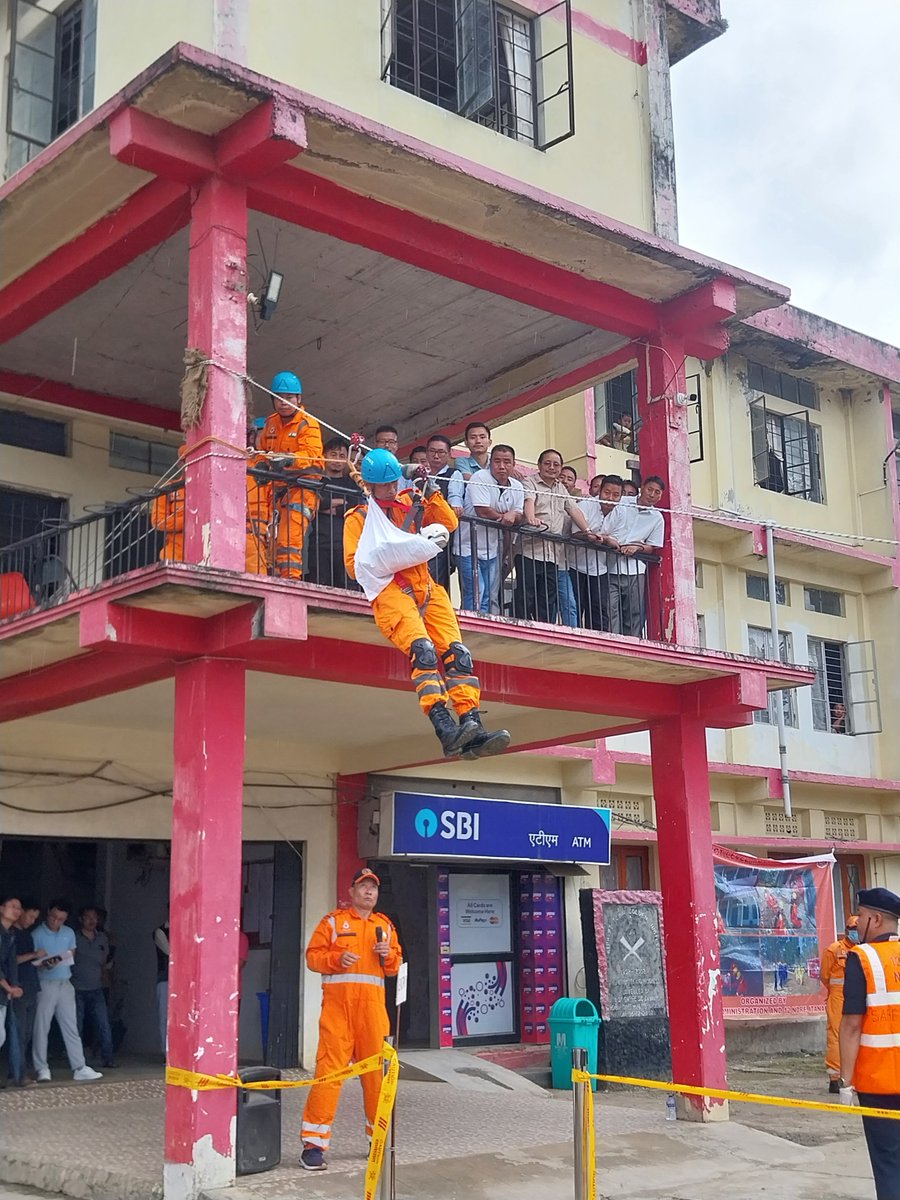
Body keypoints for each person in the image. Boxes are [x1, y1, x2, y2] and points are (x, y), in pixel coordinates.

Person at [344, 448, 510, 759]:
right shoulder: (360, 519)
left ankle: (472, 723)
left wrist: (431, 490)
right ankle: (444, 727)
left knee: (458, 654)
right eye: (384, 485)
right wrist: (395, 554)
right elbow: (355, 567)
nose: (391, 489)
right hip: (392, 591)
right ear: (370, 486)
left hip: (428, 588)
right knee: (423, 651)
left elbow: (448, 522)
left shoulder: (411, 501)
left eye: (393, 482)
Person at [299, 867, 402, 1171]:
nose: (369, 892)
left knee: (377, 1079)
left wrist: (387, 955)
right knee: (328, 1076)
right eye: (363, 886)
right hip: (338, 1014)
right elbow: (312, 957)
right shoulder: (332, 922)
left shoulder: (385, 926)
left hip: (373, 1014)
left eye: (373, 888)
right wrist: (336, 959)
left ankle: (377, 1140)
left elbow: (395, 967)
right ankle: (313, 1146)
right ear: (351, 892)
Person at [839, 887, 900, 1200]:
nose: (856, 922)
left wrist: (845, 1082)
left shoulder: (862, 958)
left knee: (888, 1163)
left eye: (861, 916)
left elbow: (851, 1026)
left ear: (875, 919)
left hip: (879, 1084)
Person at [151, 420, 273, 574]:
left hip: (246, 538)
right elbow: (158, 521)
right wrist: (193, 518)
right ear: (181, 463)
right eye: (186, 460)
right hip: (178, 550)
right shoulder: (169, 488)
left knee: (251, 578)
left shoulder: (253, 472)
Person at [257, 371, 324, 579]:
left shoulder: (308, 424)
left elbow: (312, 455)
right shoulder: (271, 424)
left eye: (289, 398)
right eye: (279, 398)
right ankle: (277, 580)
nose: (284, 402)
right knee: (272, 541)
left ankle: (291, 581)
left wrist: (289, 459)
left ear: (298, 399)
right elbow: (262, 450)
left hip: (302, 489)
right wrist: (261, 463)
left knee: (289, 539)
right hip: (276, 492)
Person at [514, 449, 589, 623]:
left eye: (556, 464)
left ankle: (544, 628)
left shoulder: (560, 488)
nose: (551, 467)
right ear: (539, 465)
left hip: (552, 554)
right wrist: (531, 518)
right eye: (547, 463)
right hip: (530, 550)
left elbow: (573, 509)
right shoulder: (530, 482)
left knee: (548, 598)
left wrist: (588, 530)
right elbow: (529, 500)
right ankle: (522, 627)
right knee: (527, 593)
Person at [32, 899, 102, 1083]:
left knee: (71, 1026)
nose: (56, 922)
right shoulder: (37, 934)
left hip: (65, 982)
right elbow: (32, 962)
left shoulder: (68, 933)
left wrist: (59, 960)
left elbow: (72, 953)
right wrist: (44, 964)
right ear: (48, 912)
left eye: (61, 919)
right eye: (53, 917)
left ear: (66, 919)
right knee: (42, 1027)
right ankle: (41, 1068)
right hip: (45, 983)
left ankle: (79, 1067)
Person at [461, 444, 525, 614]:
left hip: (494, 548)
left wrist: (513, 514)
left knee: (490, 595)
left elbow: (520, 515)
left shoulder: (517, 486)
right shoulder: (480, 477)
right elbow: (482, 510)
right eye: (497, 461)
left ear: (514, 464)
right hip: (468, 546)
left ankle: (483, 624)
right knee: (476, 592)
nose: (502, 466)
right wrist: (505, 517)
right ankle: (473, 625)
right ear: (491, 463)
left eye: (507, 462)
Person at [607, 475, 665, 637]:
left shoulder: (657, 518)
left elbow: (652, 547)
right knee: (611, 609)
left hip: (635, 569)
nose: (652, 494)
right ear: (642, 488)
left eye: (657, 492)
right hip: (609, 564)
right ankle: (613, 641)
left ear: (660, 496)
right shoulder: (623, 502)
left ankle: (631, 642)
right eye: (650, 489)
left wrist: (637, 547)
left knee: (634, 612)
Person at [568, 474, 625, 631]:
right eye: (607, 492)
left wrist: (602, 539)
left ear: (621, 497)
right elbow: (575, 533)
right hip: (575, 565)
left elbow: (616, 541)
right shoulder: (585, 505)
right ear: (599, 491)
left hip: (600, 569)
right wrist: (595, 537)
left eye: (616, 495)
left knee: (599, 611)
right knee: (575, 607)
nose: (610, 498)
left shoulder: (621, 514)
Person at [305, 437, 363, 589]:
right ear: (324, 455)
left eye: (342, 456)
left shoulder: (352, 484)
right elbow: (313, 503)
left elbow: (354, 508)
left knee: (348, 586)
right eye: (333, 454)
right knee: (319, 585)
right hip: (319, 542)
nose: (337, 460)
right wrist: (337, 503)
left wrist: (326, 506)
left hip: (345, 545)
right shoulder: (316, 480)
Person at [71, 906, 115, 1069]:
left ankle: (108, 1058)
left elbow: (105, 961)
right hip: (76, 987)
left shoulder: (102, 938)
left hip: (97, 988)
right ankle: (77, 1061)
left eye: (94, 917)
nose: (91, 921)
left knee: (104, 1024)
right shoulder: (73, 937)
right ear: (81, 919)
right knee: (77, 1026)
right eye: (88, 917)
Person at [820, 915, 860, 1092]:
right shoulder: (834, 950)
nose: (856, 933)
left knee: (858, 1034)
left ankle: (855, 1076)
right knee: (836, 1035)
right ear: (846, 931)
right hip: (838, 996)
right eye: (853, 929)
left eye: (858, 929)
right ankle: (835, 1078)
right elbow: (825, 976)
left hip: (858, 996)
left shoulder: (864, 951)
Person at [424, 435, 464, 591]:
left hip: (441, 536)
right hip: (418, 532)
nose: (436, 456)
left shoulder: (454, 474)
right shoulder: (418, 474)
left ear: (449, 455)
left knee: (437, 582)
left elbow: (455, 498)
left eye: (441, 452)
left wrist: (454, 506)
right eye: (432, 451)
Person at [10, 898, 42, 1086]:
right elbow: (11, 960)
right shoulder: (11, 934)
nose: (32, 921)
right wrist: (33, 955)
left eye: (35, 918)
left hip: (31, 987)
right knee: (19, 1034)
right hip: (18, 988)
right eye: (30, 916)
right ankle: (19, 1074)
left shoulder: (27, 935)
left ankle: (16, 1071)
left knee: (27, 1033)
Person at [1, 894, 24, 1088]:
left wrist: (14, 986)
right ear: (1, 908)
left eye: (19, 907)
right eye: (13, 906)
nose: (17, 910)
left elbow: (11, 964)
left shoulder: (10, 935)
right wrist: (8, 986)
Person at [153, 916, 170, 1053]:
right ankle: (167, 1052)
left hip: (184, 980)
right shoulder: (160, 931)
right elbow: (171, 953)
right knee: (164, 1017)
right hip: (165, 978)